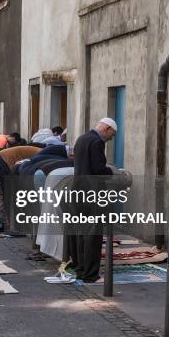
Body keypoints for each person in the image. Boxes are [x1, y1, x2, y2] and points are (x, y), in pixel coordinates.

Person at [72, 118, 116, 283]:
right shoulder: (97, 142)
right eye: (112, 134)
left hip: (78, 190)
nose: (111, 138)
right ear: (106, 128)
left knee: (81, 233)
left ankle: (81, 270)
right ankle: (91, 274)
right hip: (92, 193)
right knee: (93, 234)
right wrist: (110, 172)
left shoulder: (82, 138)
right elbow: (98, 169)